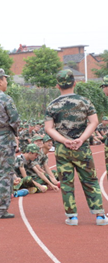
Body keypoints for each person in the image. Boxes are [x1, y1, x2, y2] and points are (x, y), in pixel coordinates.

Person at [44, 69, 108, 226]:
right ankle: (100, 216)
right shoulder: (85, 102)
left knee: (66, 182)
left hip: (62, 149)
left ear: (58, 86)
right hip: (82, 148)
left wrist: (64, 140)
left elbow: (49, 128)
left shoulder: (52, 105)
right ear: (75, 83)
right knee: (90, 180)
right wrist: (81, 139)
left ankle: (72, 217)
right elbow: (94, 122)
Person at [0, 68, 20, 219]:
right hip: (5, 139)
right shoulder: (6, 99)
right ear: (0, 81)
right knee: (5, 175)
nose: (6, 82)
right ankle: (1, 209)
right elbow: (15, 119)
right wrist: (14, 134)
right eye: (5, 79)